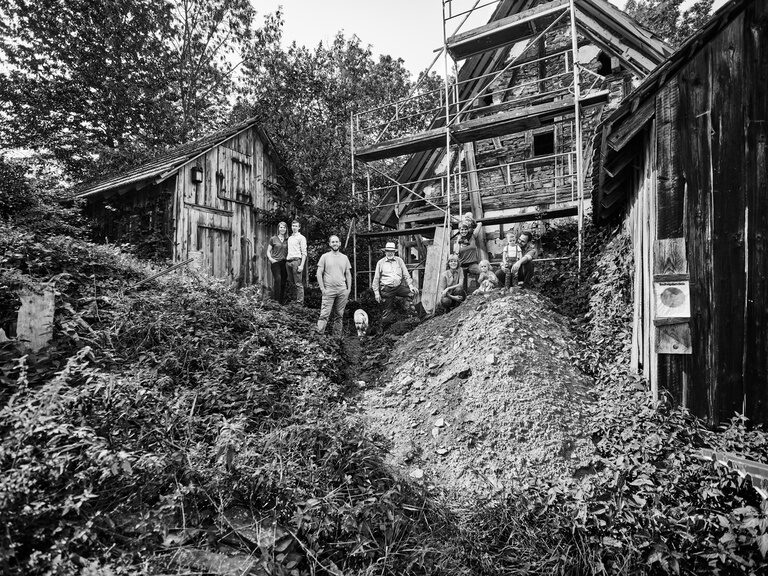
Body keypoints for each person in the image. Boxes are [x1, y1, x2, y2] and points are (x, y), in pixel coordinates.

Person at [371, 241, 419, 324]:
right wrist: (376, 293)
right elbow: (376, 278)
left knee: (413, 293)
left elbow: (406, 274)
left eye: (392, 251)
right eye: (388, 251)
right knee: (387, 311)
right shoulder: (380, 263)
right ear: (385, 252)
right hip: (387, 289)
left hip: (398, 287)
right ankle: (385, 331)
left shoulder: (399, 260)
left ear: (394, 252)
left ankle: (421, 316)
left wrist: (411, 286)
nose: (390, 253)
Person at [315, 235, 352, 337]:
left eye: (337, 242)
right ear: (329, 244)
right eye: (333, 242)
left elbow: (348, 274)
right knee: (324, 315)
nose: (335, 243)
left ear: (339, 243)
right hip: (329, 290)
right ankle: (318, 339)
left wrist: (348, 289)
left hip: (342, 290)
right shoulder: (324, 257)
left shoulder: (344, 258)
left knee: (339, 316)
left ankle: (336, 340)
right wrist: (322, 289)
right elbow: (319, 273)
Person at [454, 216, 483, 294]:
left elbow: (480, 223)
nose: (464, 231)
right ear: (459, 230)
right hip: (461, 265)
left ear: (468, 229)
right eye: (462, 230)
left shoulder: (473, 236)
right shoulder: (458, 240)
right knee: (461, 286)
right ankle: (463, 298)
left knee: (482, 272)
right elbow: (455, 253)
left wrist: (470, 220)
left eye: (465, 229)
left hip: (472, 264)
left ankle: (480, 291)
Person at [286, 219, 307, 305]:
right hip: (288, 262)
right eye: (293, 226)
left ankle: (299, 303)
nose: (294, 227)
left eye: (296, 226)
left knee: (298, 283)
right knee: (291, 283)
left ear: (299, 227)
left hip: (296, 262)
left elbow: (304, 252)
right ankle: (292, 301)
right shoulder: (290, 238)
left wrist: (302, 265)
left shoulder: (301, 238)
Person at [267, 221, 288, 303]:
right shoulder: (273, 239)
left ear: (286, 229)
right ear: (278, 228)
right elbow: (268, 251)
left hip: (285, 263)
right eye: (281, 227)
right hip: (276, 262)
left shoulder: (288, 239)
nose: (282, 229)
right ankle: (276, 302)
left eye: (284, 227)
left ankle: (281, 302)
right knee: (278, 280)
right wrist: (271, 259)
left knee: (283, 282)